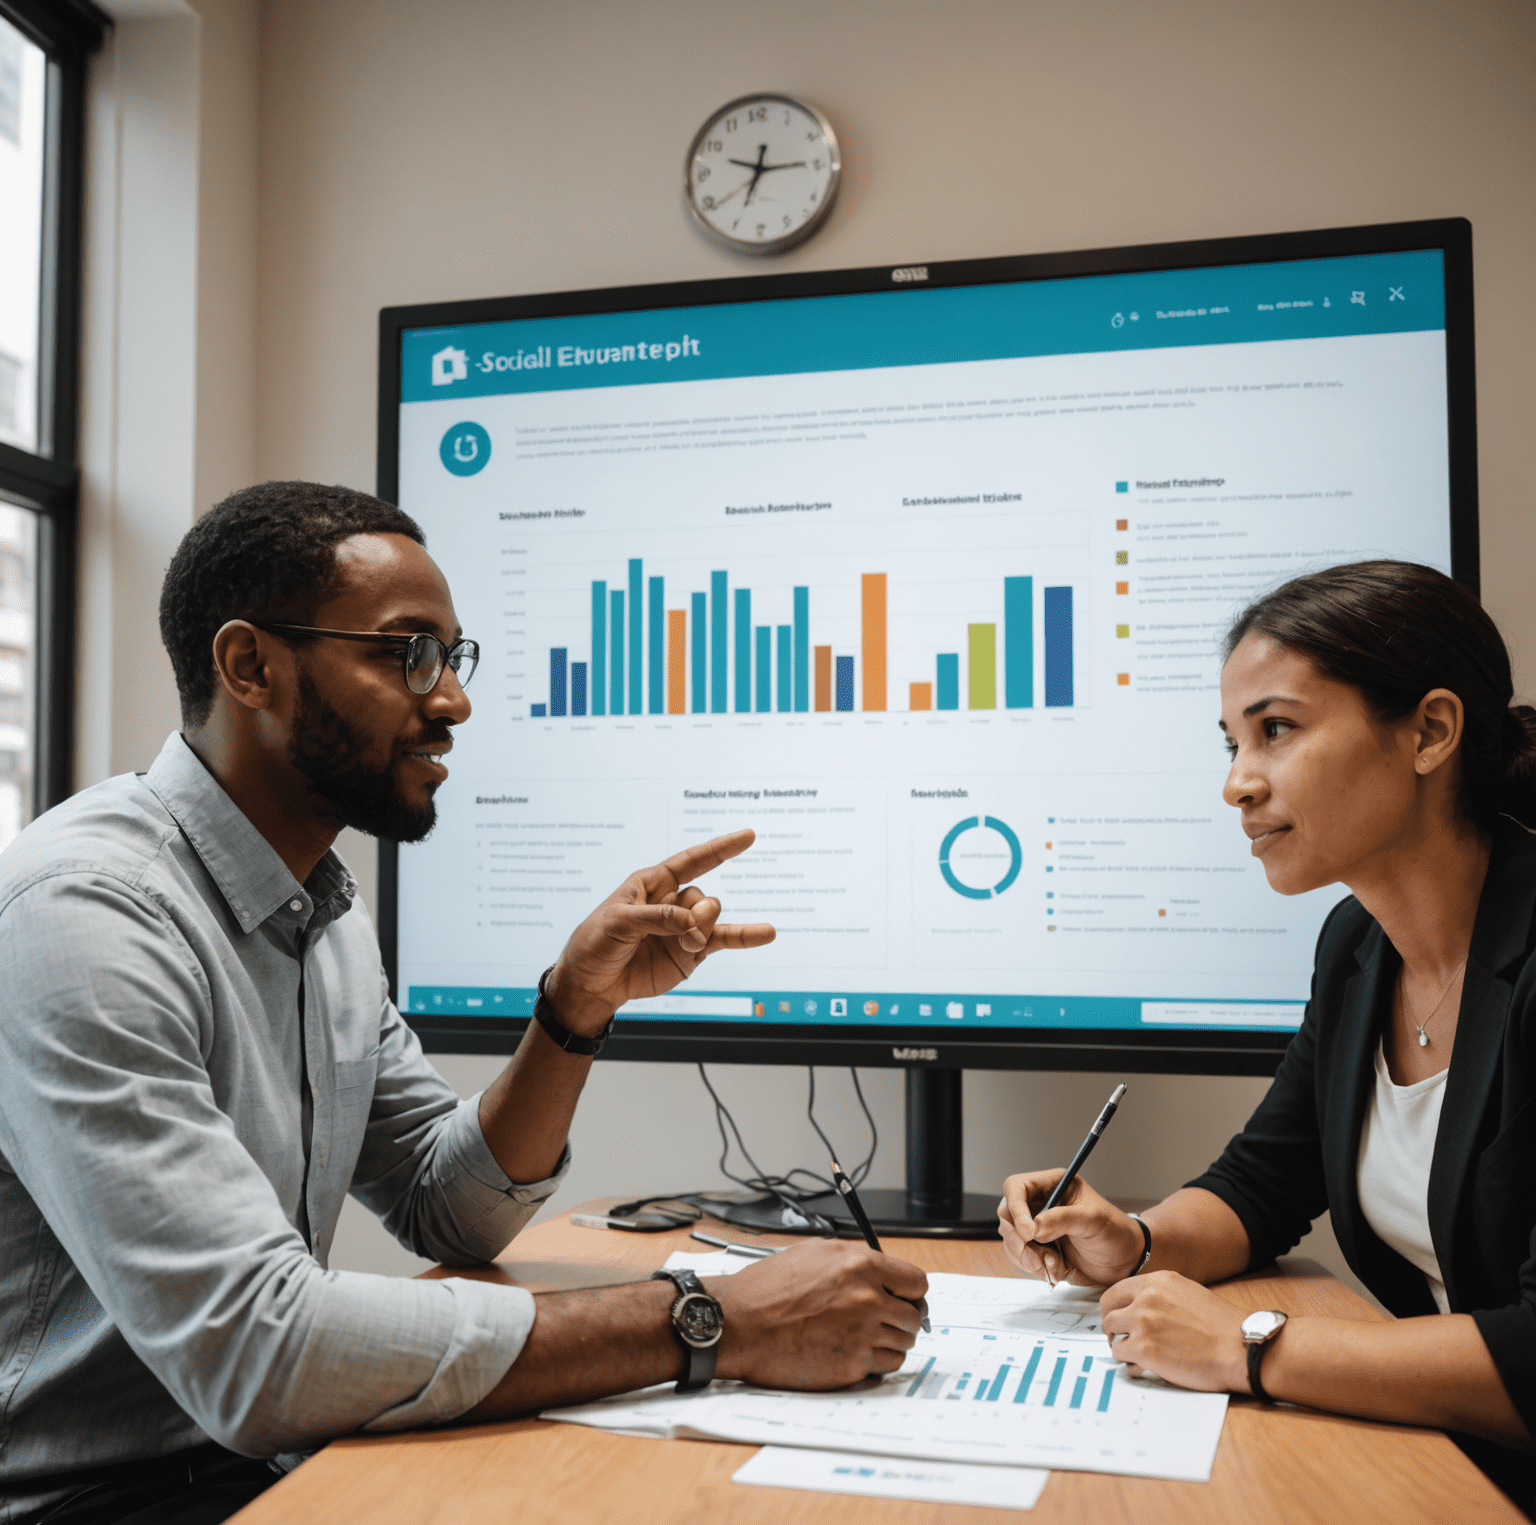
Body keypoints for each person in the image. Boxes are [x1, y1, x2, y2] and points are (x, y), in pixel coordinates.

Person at [0, 482, 927, 1525]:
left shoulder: (323, 915)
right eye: (407, 655)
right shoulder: (84, 913)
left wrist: (571, 1010)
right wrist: (711, 1319)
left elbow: (453, 1208)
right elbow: (256, 1352)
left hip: (257, 1465)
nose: (451, 702)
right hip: (87, 1499)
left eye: (452, 658)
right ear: (250, 666)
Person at [998, 560, 1536, 1510]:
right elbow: (1265, 1183)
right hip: (1448, 1459)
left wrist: (1251, 1347)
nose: (1238, 785)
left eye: (1277, 731)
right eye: (1232, 742)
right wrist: (1134, 1239)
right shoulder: (1361, 945)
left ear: (1430, 731)